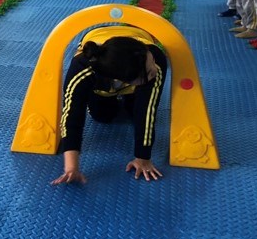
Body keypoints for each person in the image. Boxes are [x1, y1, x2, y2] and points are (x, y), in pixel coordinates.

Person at [52, 26, 169, 185]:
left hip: (132, 56)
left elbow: (147, 111)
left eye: (152, 63)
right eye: (149, 72)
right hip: (105, 79)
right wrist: (71, 167)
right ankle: (115, 95)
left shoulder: (153, 60)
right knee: (102, 115)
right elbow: (72, 114)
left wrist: (143, 158)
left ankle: (128, 96)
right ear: (124, 80)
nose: (154, 69)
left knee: (135, 112)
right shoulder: (82, 70)